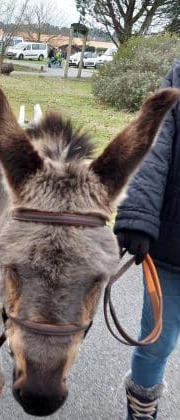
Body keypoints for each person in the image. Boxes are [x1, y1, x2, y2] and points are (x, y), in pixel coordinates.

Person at [114, 59, 180, 420]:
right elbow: (154, 141)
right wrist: (138, 216)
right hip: (173, 247)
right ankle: (141, 411)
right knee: (156, 342)